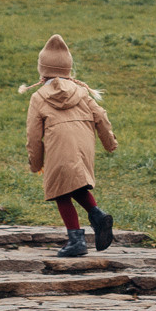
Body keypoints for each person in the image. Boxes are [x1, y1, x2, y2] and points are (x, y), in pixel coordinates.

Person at [24, 34, 117, 258]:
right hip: (84, 147)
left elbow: (33, 135)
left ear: (42, 70)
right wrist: (109, 143)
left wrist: (36, 164)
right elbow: (101, 117)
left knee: (60, 192)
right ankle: (97, 215)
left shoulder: (39, 97)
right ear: (68, 69)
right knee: (76, 184)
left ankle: (76, 240)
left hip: (58, 147)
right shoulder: (82, 92)